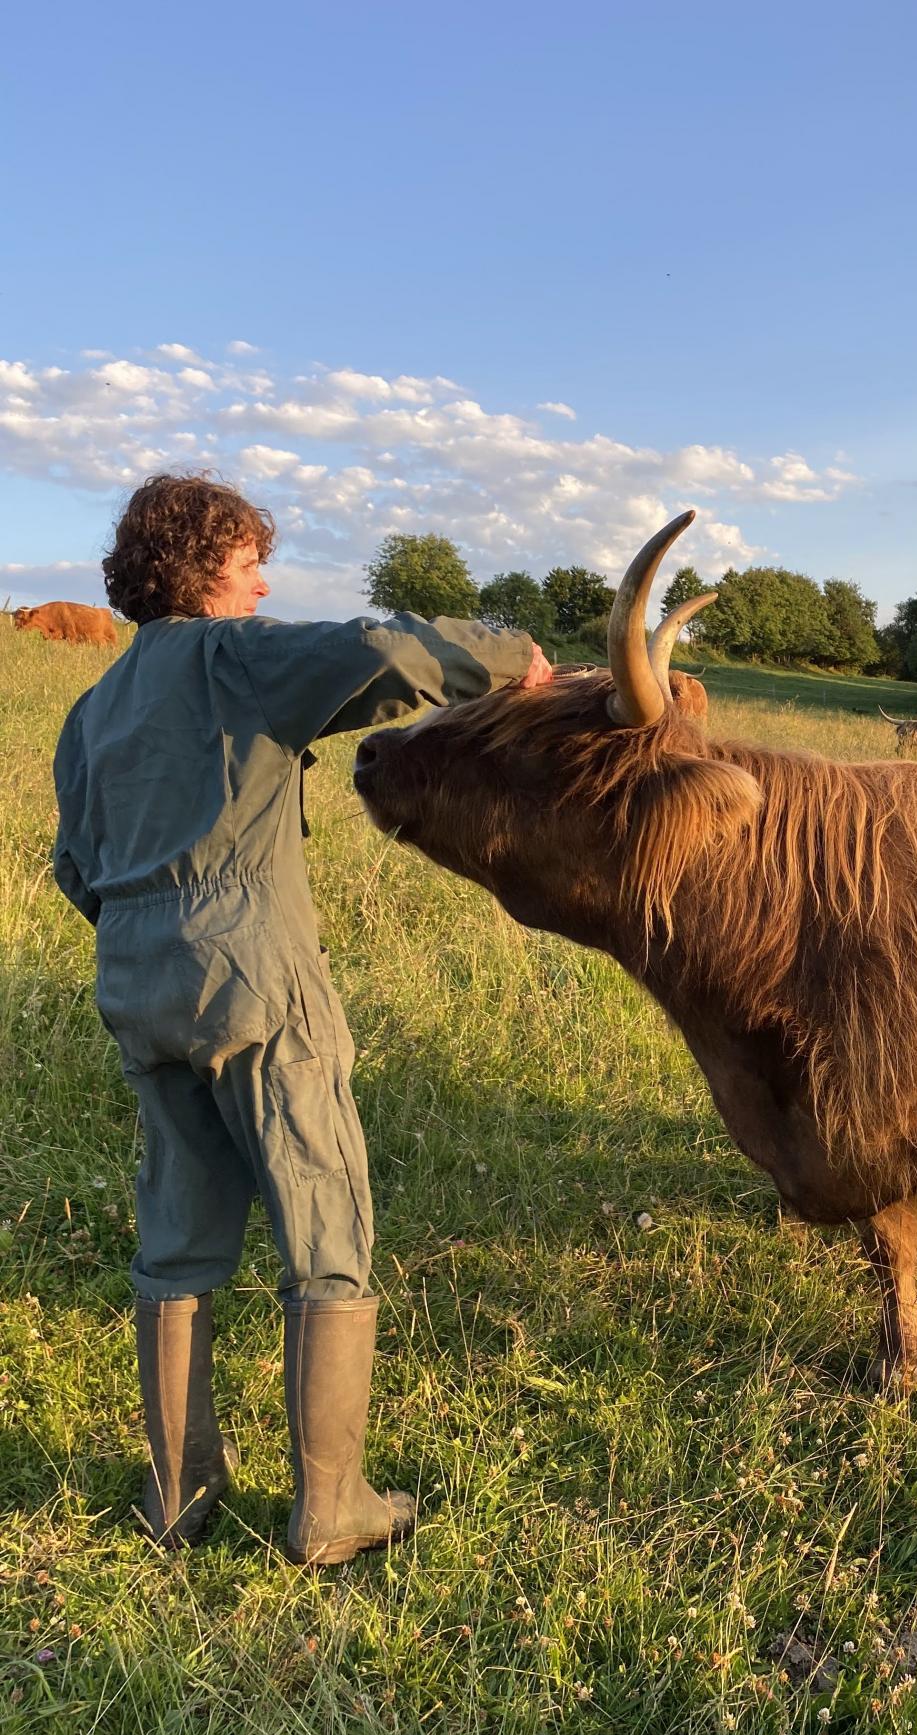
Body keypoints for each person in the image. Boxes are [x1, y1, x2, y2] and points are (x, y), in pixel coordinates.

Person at [52, 474, 551, 1565]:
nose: (263, 581)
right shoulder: (236, 658)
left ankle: (178, 1493)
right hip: (250, 972)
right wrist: (516, 659)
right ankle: (331, 1510)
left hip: (135, 980)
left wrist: (147, 925)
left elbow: (72, 868)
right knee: (325, 1224)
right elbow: (386, 653)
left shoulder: (91, 712)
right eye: (247, 564)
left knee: (176, 1238)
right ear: (200, 575)